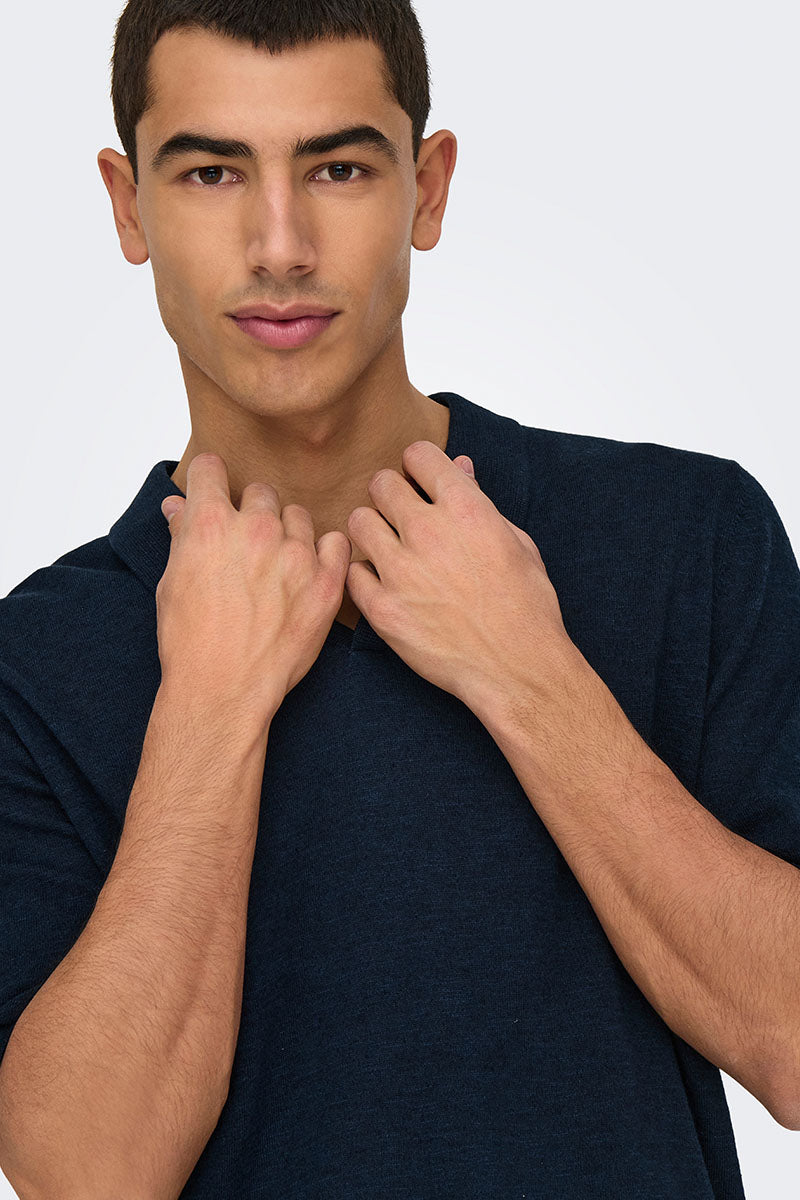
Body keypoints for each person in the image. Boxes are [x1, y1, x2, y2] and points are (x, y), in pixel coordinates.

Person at [0, 2, 798, 1197]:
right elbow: (86, 1176)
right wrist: (208, 709)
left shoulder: (688, 538)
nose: (279, 244)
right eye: (212, 171)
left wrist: (528, 675)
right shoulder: (36, 661)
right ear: (128, 207)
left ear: (426, 190)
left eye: (337, 167)